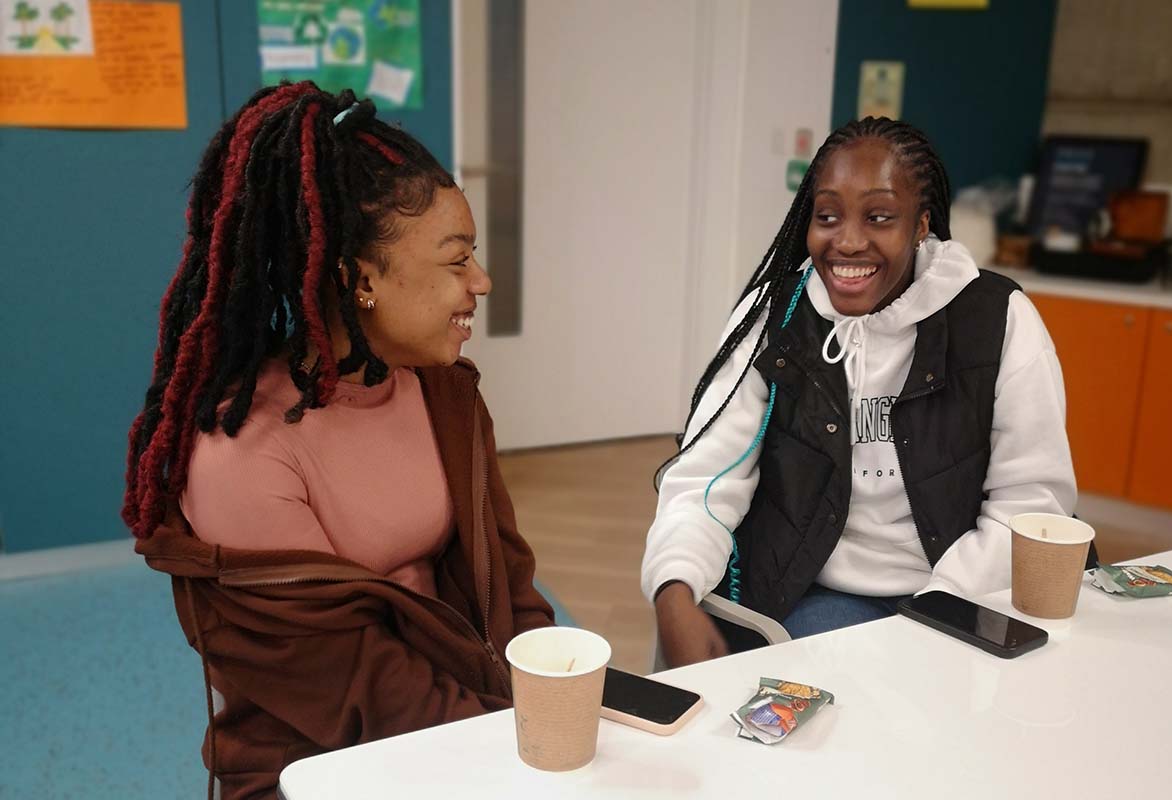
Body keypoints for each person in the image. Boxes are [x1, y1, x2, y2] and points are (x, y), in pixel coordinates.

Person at [122, 82, 554, 799]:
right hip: (317, 761)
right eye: (455, 260)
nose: (481, 280)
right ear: (359, 280)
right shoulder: (243, 451)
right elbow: (354, 683)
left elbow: (507, 581)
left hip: (467, 718)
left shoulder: (444, 393)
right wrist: (505, 743)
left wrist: (552, 685)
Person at [643, 117, 1077, 668]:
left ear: (921, 225)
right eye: (827, 216)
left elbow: (1031, 503)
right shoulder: (773, 318)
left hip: (963, 596)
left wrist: (937, 613)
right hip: (817, 597)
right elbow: (707, 479)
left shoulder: (997, 320)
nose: (847, 240)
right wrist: (674, 586)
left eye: (879, 217)